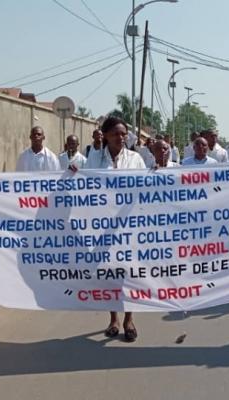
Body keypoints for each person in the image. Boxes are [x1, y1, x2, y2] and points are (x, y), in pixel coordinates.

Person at [84, 116, 146, 342]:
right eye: (115, 134)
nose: (120, 138)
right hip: (102, 227)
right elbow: (85, 186)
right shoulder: (94, 159)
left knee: (129, 273)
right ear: (105, 135)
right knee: (108, 273)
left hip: (129, 226)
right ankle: (113, 319)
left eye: (124, 134)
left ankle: (129, 319)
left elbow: (145, 189)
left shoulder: (136, 159)